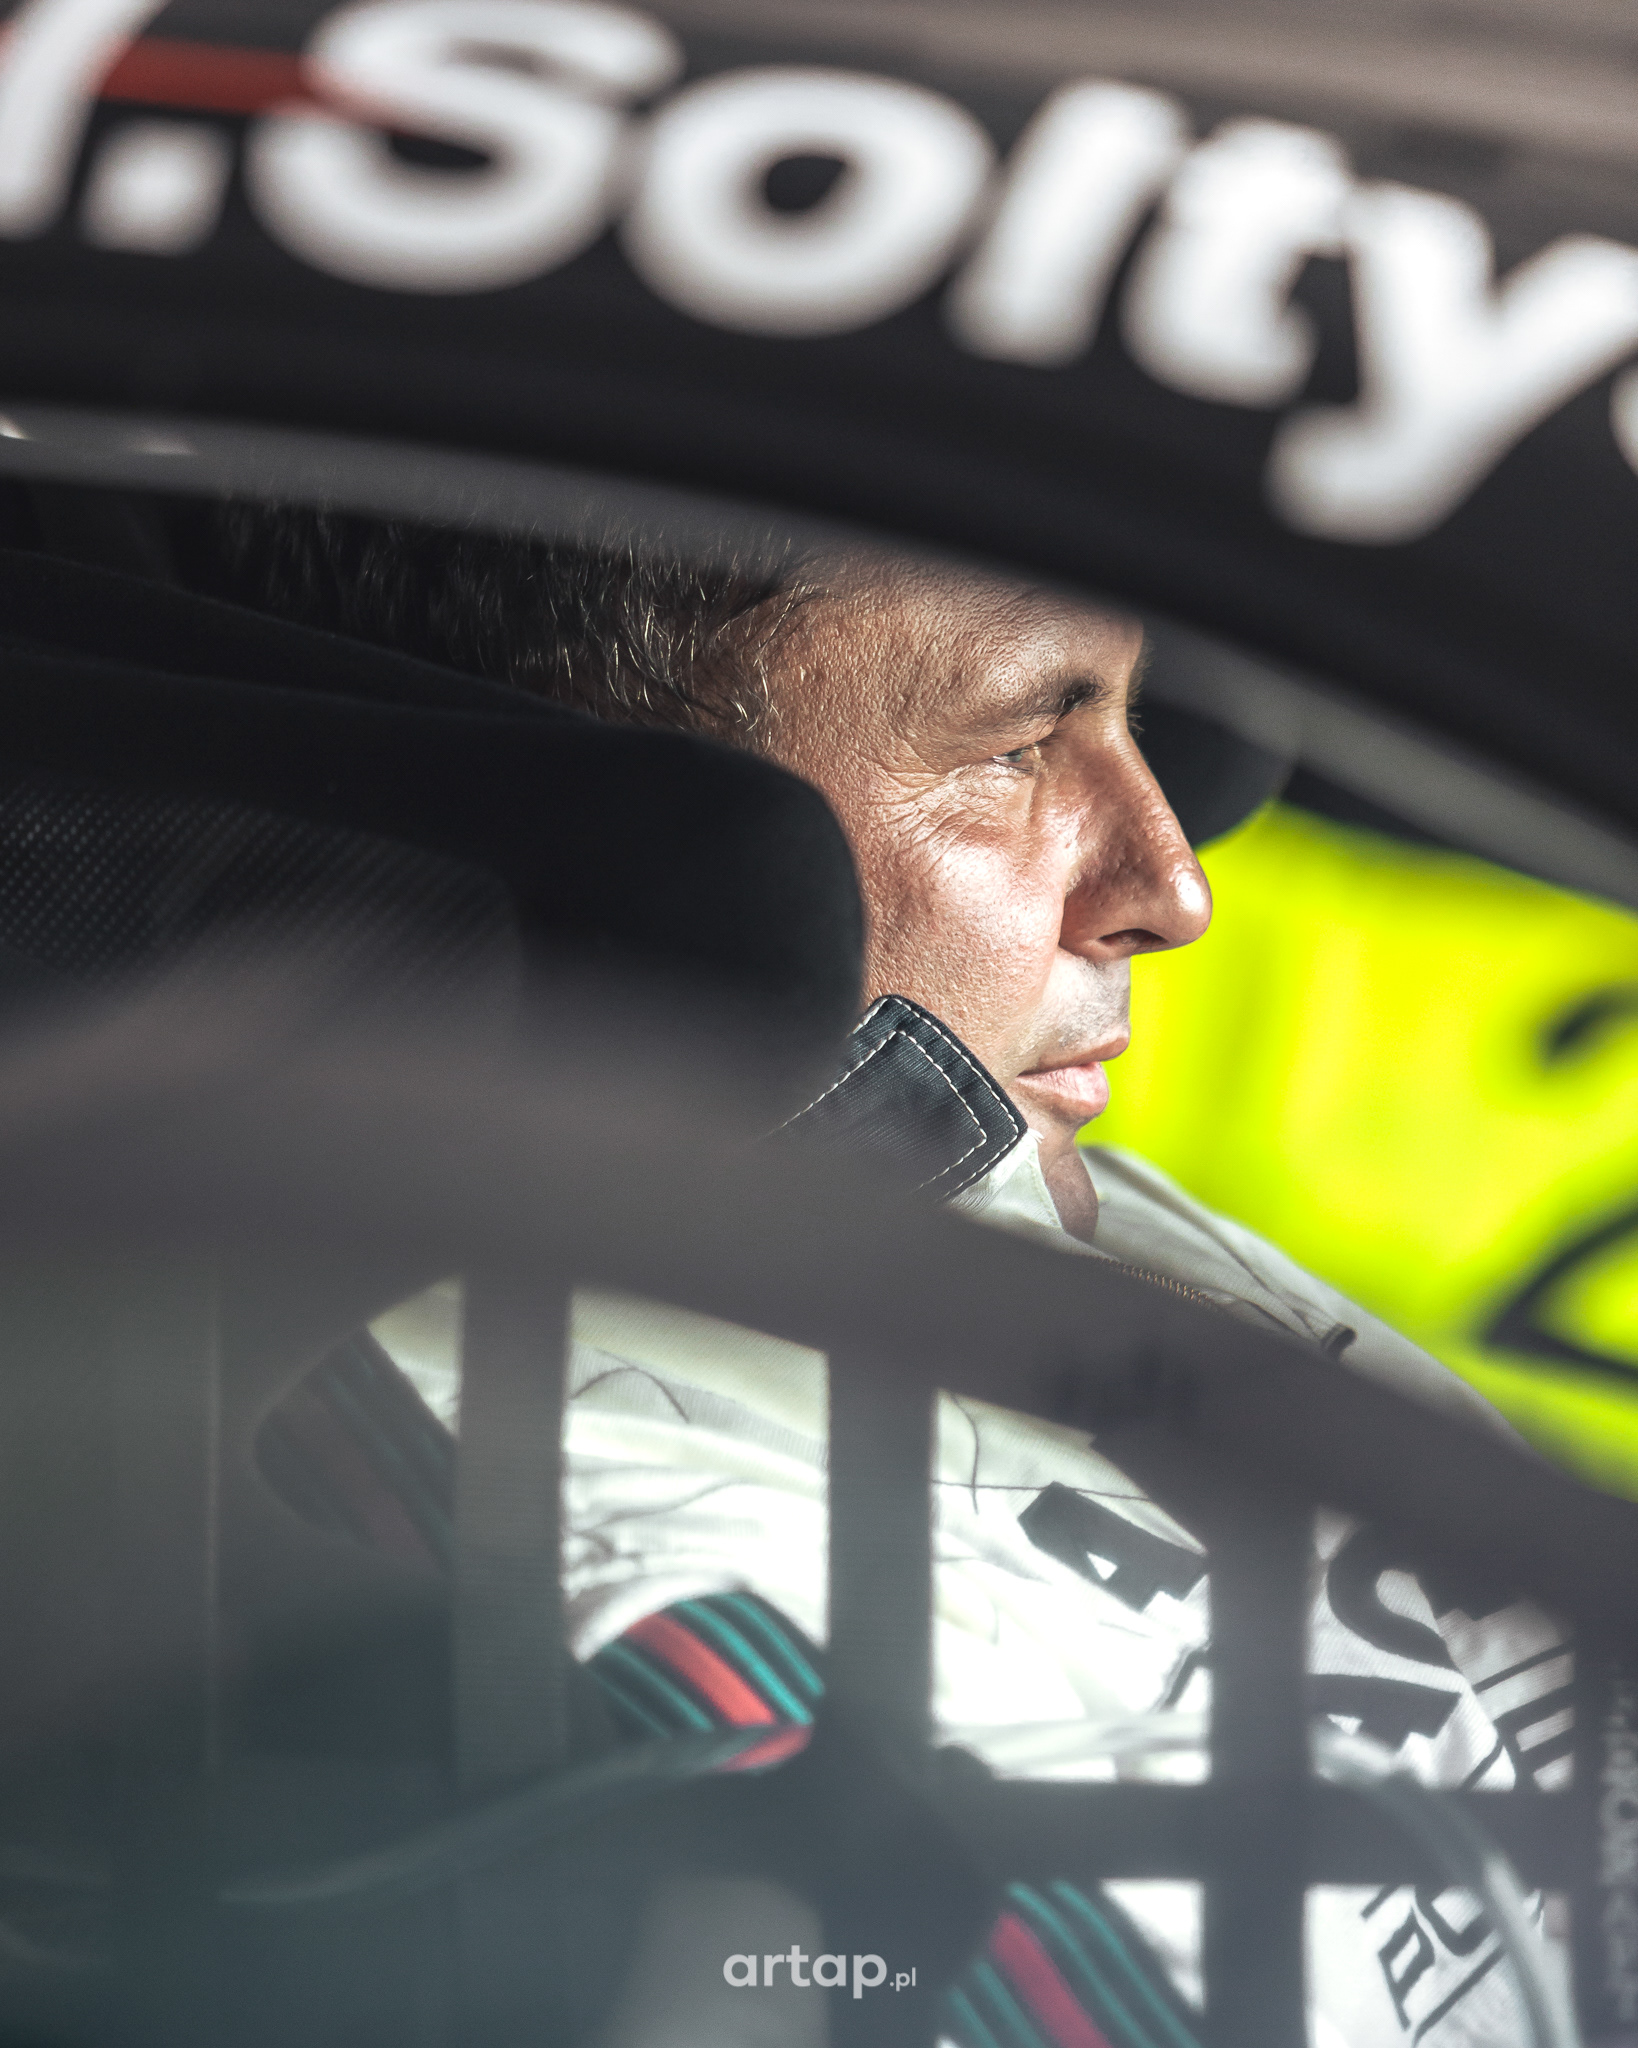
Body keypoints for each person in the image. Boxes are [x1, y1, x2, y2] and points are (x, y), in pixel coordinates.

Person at [214, 508, 1568, 2048]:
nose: (1173, 886)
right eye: (1018, 748)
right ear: (611, 811)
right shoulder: (577, 1504)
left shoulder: (1004, 1186)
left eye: (1129, 730)